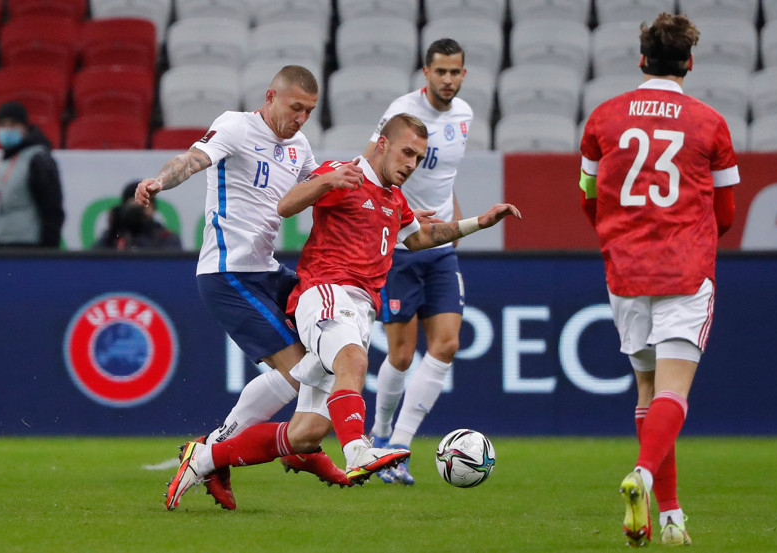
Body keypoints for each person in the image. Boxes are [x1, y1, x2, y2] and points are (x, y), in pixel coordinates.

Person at [164, 113, 521, 509]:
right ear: (382, 144)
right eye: (406, 152)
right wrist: (324, 181)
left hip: (361, 308)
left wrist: (478, 223)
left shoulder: (393, 199)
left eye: (419, 158)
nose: (411, 164)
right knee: (353, 359)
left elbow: (420, 238)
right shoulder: (343, 173)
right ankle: (359, 451)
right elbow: (286, 206)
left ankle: (206, 456)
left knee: (305, 434)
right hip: (328, 291)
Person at [135, 65, 364, 511]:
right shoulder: (236, 126)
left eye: (309, 111)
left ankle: (229, 452)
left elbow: (325, 190)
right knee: (299, 369)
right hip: (227, 272)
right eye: (295, 107)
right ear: (270, 96)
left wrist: (399, 213)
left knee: (326, 350)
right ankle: (216, 452)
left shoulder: (299, 146)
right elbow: (191, 159)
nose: (301, 118)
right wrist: (160, 181)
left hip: (268, 269)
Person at [578, 13, 739, 547]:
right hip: (685, 269)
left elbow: (588, 198)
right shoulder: (709, 123)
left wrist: (622, 235)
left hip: (625, 271)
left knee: (647, 391)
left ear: (642, 60)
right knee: (674, 391)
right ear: (688, 63)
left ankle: (670, 518)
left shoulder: (603, 118)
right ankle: (643, 478)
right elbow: (727, 214)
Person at [362, 38, 473, 485]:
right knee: (402, 355)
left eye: (455, 72)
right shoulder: (401, 112)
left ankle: (399, 447)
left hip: (441, 245)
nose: (448, 79)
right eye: (440, 71)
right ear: (425, 73)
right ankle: (380, 434)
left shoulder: (464, 116)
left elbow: (446, 179)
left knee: (446, 345)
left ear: (464, 75)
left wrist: (456, 220)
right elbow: (371, 162)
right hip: (405, 244)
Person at [0, 101, 64, 248]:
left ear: (25, 127)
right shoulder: (0, 160)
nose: (7, 129)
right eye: (2, 124)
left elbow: (51, 207)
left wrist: (49, 250)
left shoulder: (38, 159)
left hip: (26, 245)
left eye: (13, 124)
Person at [95, 181, 182, 250]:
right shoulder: (114, 237)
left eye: (145, 204)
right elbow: (95, 262)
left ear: (153, 208)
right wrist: (113, 230)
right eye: (134, 207)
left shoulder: (165, 238)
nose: (138, 212)